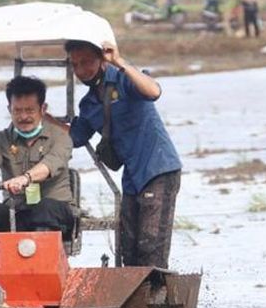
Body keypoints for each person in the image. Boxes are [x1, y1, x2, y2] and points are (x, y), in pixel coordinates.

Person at [58, 39, 182, 268]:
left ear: (101, 58)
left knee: (151, 247)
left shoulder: (124, 77)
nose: (81, 70)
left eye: (86, 62)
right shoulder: (89, 104)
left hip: (158, 169)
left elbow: (153, 91)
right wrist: (40, 118)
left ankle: (158, 302)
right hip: (132, 178)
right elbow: (75, 137)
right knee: (129, 249)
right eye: (75, 65)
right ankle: (135, 301)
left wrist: (118, 60)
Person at [0, 75, 74, 237]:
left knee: (44, 209)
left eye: (30, 110)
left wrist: (26, 178)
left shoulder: (61, 136)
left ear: (43, 109)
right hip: (17, 212)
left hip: (55, 213)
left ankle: (40, 261)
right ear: (9, 109)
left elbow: (50, 164)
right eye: (17, 111)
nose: (23, 117)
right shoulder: (1, 139)